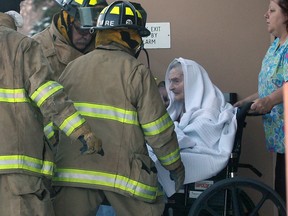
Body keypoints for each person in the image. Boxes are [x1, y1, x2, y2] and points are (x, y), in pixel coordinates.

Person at [52, 1, 185, 216]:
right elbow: (157, 130)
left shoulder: (72, 68)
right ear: (132, 37)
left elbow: (54, 119)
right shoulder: (136, 72)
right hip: (123, 176)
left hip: (71, 174)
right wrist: (175, 165)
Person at [0, 1, 103, 216]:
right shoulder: (22, 45)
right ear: (14, 16)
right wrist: (82, 132)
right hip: (17, 174)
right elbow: (48, 95)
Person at [148, 57, 237, 197]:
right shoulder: (181, 108)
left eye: (176, 81)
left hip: (202, 160)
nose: (170, 87)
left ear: (192, 82)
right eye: (170, 81)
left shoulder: (209, 111)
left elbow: (191, 141)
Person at [233, 0, 288, 203]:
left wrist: (270, 101)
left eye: (272, 10)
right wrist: (246, 102)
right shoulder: (275, 46)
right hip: (281, 139)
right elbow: (270, 86)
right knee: (281, 192)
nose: (266, 15)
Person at [32, 0, 108, 143]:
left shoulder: (101, 49)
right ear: (66, 21)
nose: (87, 36)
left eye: (93, 31)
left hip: (94, 141)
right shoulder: (38, 48)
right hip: (52, 142)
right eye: (82, 29)